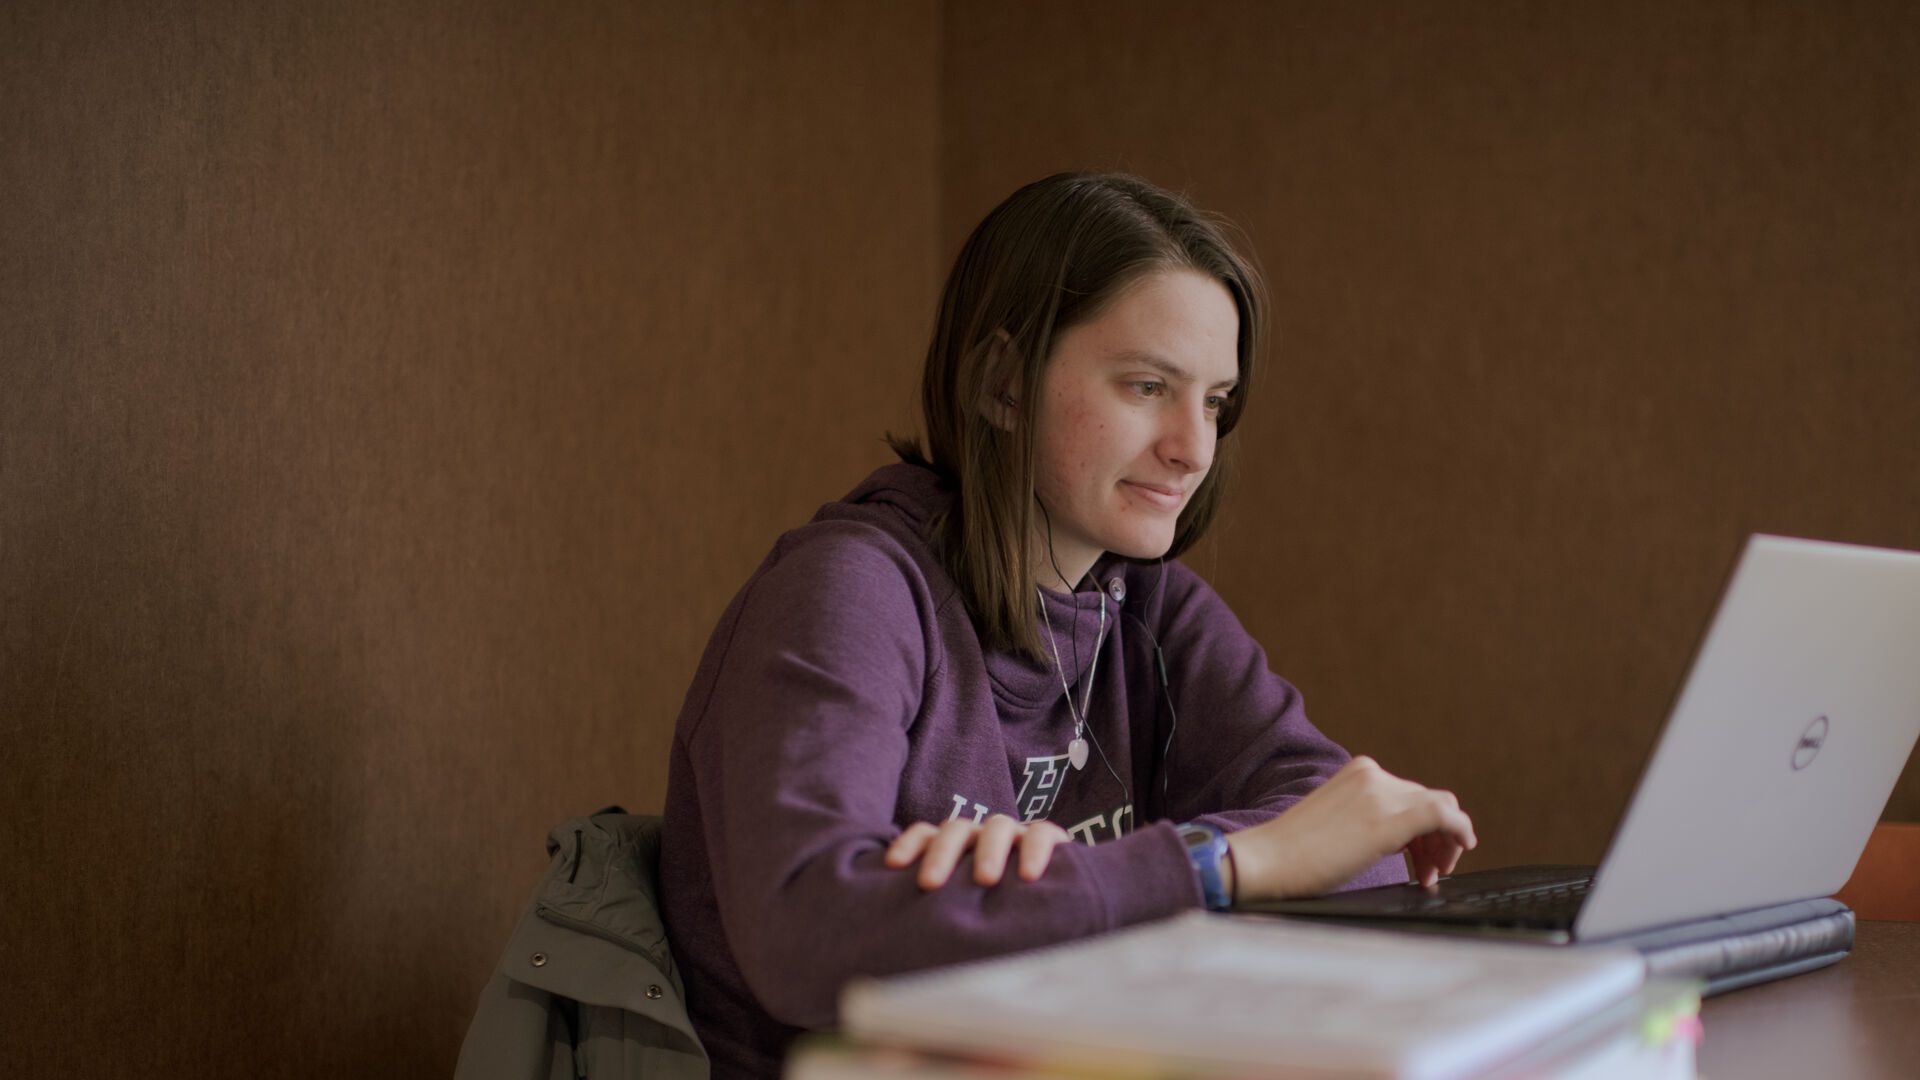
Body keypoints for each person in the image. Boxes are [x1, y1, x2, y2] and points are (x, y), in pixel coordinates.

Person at [659, 172, 1477, 1078]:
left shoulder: (1152, 611)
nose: (1194, 447)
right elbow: (807, 930)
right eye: (1146, 386)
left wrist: (1031, 891)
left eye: (1214, 401)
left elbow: (1354, 849)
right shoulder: (849, 592)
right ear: (1003, 385)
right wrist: (1212, 870)